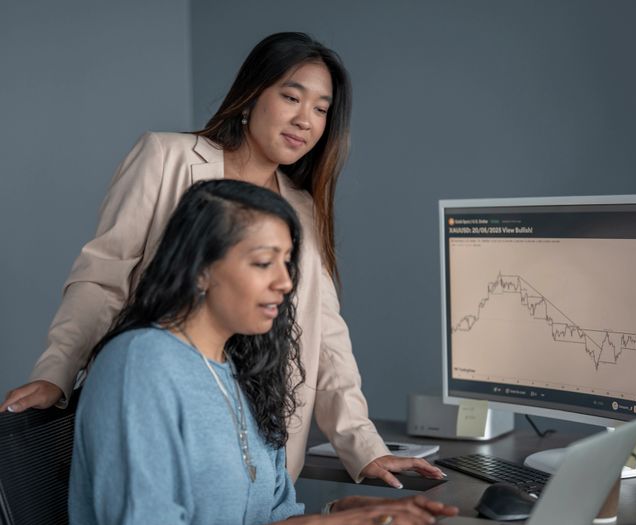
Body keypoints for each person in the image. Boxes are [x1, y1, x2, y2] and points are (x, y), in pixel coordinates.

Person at [2, 32, 440, 487]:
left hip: (259, 433)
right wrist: (56, 371)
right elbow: (102, 278)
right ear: (251, 96)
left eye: (321, 109)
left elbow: (324, 333)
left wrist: (363, 448)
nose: (305, 120)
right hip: (163, 414)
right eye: (292, 97)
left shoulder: (303, 209)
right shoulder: (166, 158)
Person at [70, 179, 458, 525]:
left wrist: (341, 514)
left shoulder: (241, 369)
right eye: (262, 262)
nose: (285, 282)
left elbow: (268, 517)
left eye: (286, 262)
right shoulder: (139, 364)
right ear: (199, 270)